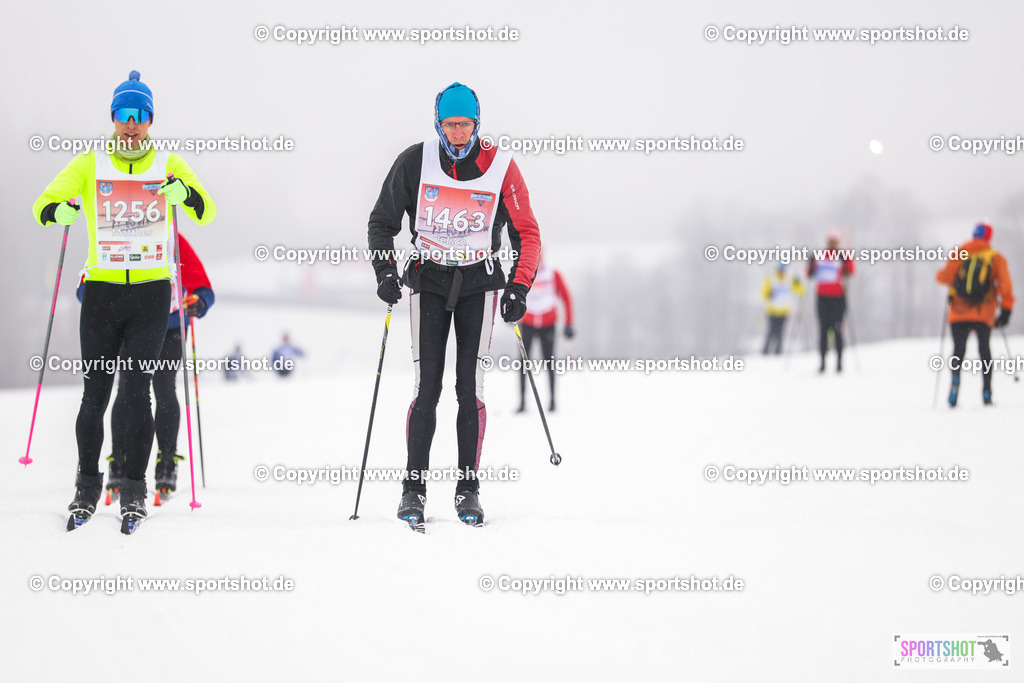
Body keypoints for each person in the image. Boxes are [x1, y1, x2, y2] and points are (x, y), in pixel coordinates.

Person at [33, 71, 216, 532]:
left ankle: (134, 491)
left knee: (138, 394)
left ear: (150, 120)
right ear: (113, 117)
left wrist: (184, 193)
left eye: (139, 115)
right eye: (122, 114)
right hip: (102, 293)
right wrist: (59, 209)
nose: (130, 123)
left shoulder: (169, 161)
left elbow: (206, 210)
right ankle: (86, 489)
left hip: (151, 295)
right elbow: (43, 204)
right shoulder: (90, 163)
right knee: (94, 394)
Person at [368, 82, 541, 528]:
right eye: (450, 124)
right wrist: (385, 271)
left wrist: (519, 286)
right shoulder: (414, 161)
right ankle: (413, 489)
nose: (458, 133)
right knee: (427, 387)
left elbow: (526, 233)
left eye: (466, 124)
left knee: (470, 387)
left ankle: (468, 490)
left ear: (477, 124)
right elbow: (382, 223)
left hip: (478, 284)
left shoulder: (501, 166)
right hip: (428, 280)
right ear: (438, 124)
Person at [78, 233, 214, 502]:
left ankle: (166, 462)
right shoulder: (116, 233)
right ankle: (119, 462)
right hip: (132, 326)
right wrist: (99, 302)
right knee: (128, 389)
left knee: (163, 388)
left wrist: (199, 302)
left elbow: (203, 287)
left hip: (170, 325)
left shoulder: (173, 238)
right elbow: (87, 284)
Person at [936, 222, 1014, 406]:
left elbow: (942, 278)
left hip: (958, 312)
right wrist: (1006, 311)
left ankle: (954, 388)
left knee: (958, 351)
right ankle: (987, 392)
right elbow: (1005, 287)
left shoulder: (959, 253)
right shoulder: (996, 258)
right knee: (984, 350)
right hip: (983, 313)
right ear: (989, 237)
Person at [517, 252, 573, 412]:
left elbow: (566, 297)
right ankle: (522, 402)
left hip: (548, 323)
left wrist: (569, 323)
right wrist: (511, 312)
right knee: (523, 362)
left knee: (549, 361)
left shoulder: (552, 274)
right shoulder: (523, 273)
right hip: (527, 322)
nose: (536, 262)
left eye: (538, 258)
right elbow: (515, 294)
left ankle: (552, 401)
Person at [807, 230, 854, 373]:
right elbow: (809, 274)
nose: (833, 245)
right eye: (830, 242)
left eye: (835, 242)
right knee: (823, 330)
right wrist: (810, 263)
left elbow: (851, 272)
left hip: (838, 298)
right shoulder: (819, 256)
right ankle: (822, 363)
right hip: (823, 298)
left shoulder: (842, 256)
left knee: (838, 330)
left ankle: (839, 363)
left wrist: (847, 260)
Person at [761, 262, 804, 355]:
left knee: (780, 332)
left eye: (783, 271)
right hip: (772, 311)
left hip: (783, 311)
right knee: (771, 331)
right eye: (780, 271)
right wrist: (768, 294)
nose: (781, 273)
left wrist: (798, 283)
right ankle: (765, 351)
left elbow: (801, 292)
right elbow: (763, 293)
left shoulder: (788, 280)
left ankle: (778, 352)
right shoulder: (771, 279)